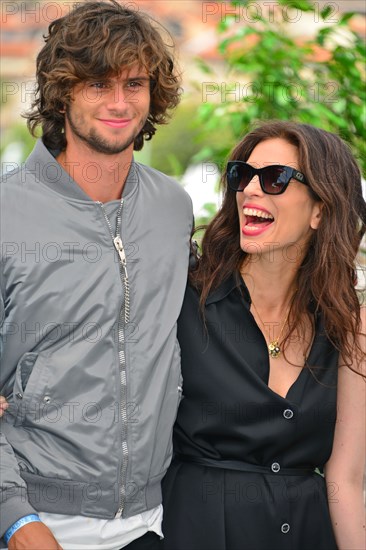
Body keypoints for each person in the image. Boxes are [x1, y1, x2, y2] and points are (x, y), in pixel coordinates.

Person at [0, 1, 193, 549]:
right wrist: (14, 519)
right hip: (36, 518)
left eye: (134, 84)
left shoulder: (173, 209)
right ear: (63, 93)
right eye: (97, 84)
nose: (118, 103)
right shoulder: (6, 212)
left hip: (152, 520)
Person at [162, 121, 366, 550]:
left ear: (321, 211)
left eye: (274, 178)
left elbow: (344, 480)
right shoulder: (181, 297)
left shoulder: (349, 325)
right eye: (242, 175)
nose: (250, 189)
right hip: (197, 530)